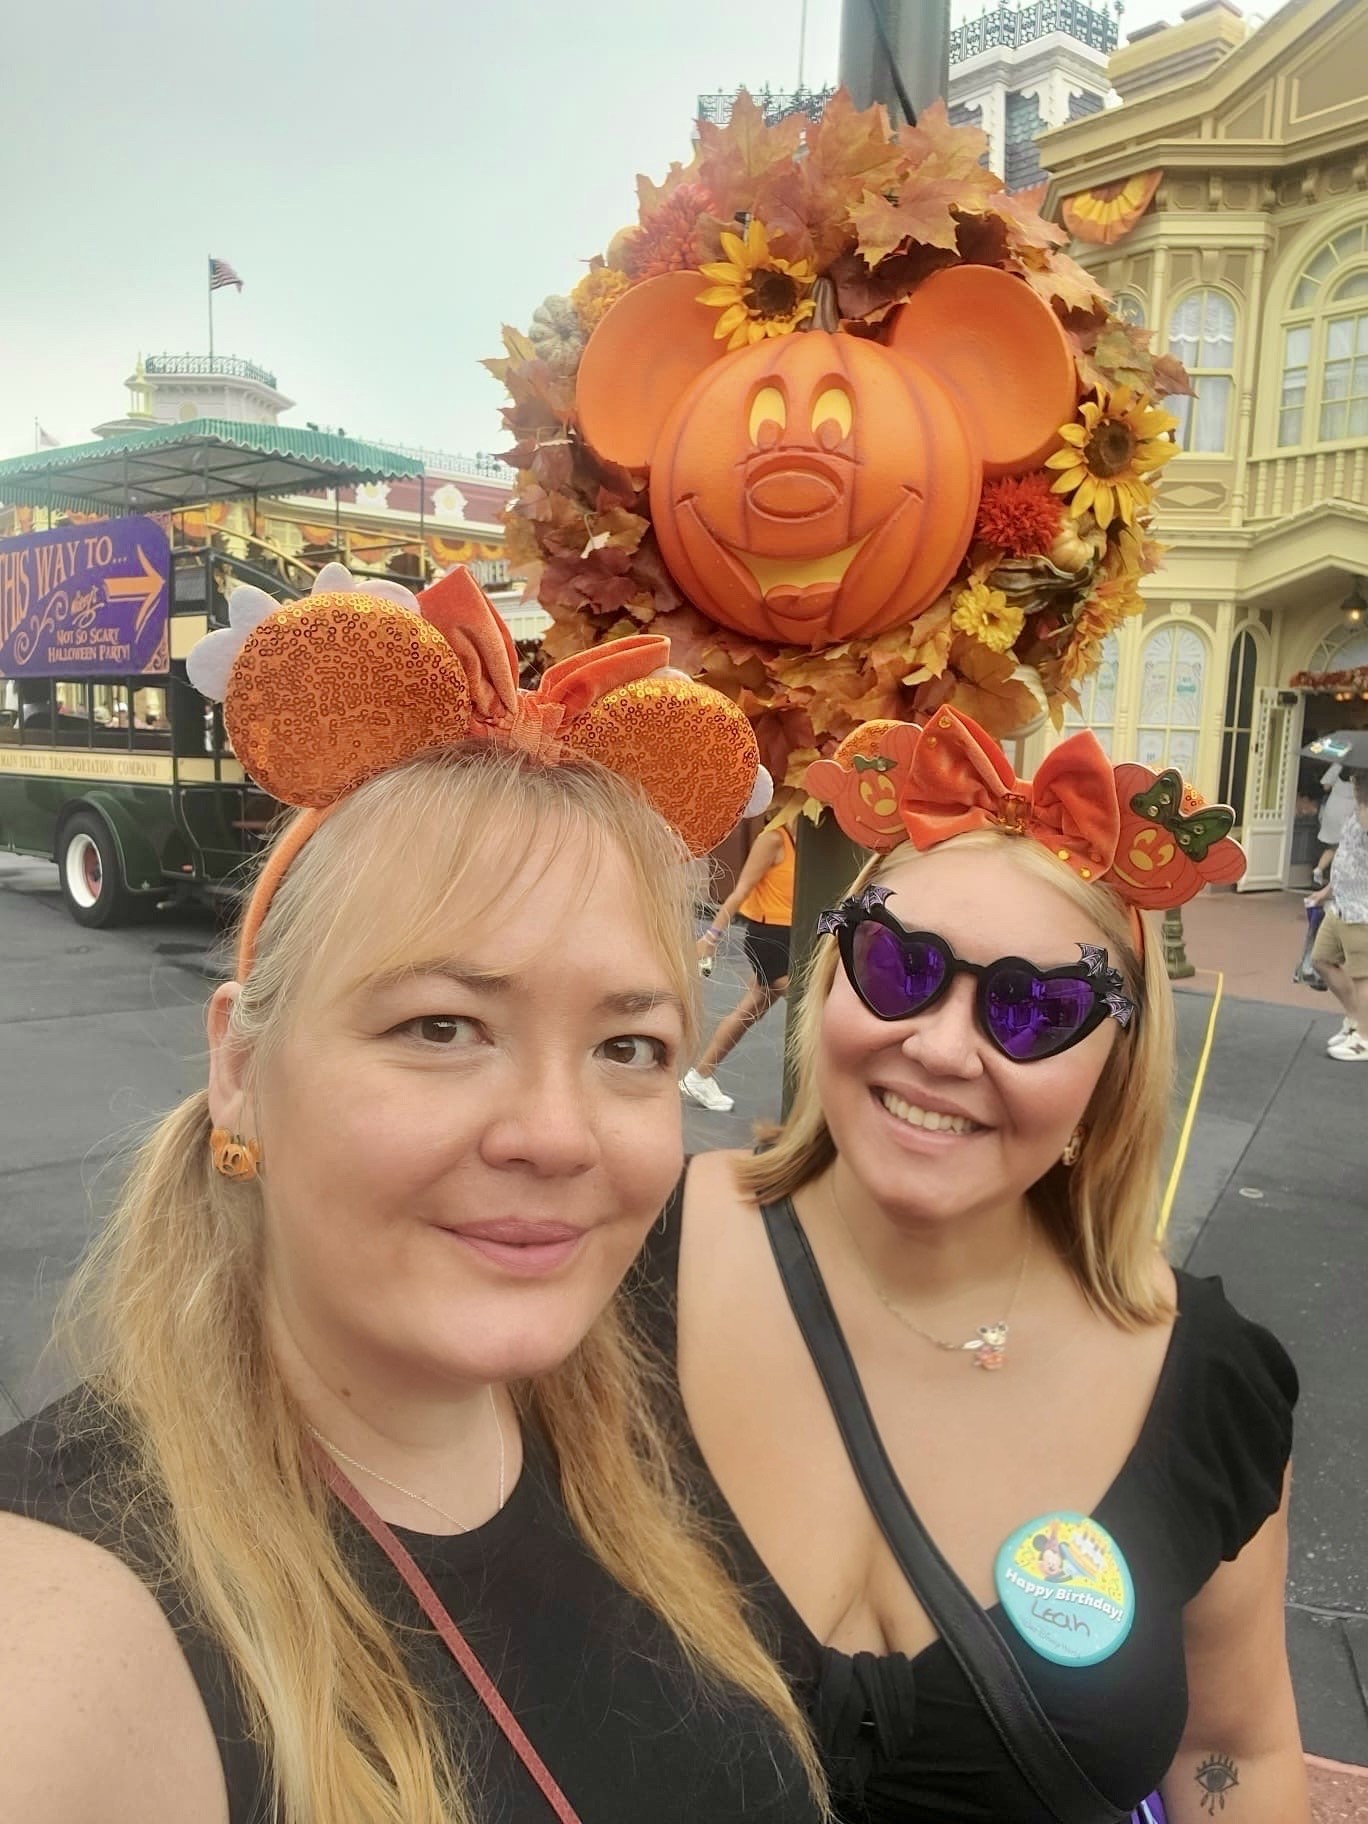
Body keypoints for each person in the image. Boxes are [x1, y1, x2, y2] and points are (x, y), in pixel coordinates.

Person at [0, 567, 824, 1824]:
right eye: (442, 1025)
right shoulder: (76, 1628)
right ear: (240, 1069)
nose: (557, 1136)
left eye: (629, 1048)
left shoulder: (625, 1419)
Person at [638, 711, 1306, 1823]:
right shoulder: (620, 1251)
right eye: (900, 966)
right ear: (831, 983)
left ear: (1112, 1076)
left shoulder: (1210, 1387)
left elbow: (1232, 1750)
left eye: (1034, 1009)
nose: (943, 1048)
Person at [681, 819, 795, 1114]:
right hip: (770, 939)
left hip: (796, 936)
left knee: (752, 1007)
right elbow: (740, 891)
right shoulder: (773, 840)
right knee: (808, 1002)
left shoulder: (814, 844)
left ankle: (700, 1076)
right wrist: (711, 937)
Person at [1307, 767, 1368, 1061]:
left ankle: (1365, 1038)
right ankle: (1356, 1020)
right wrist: (1326, 891)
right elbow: (1346, 857)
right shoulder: (1355, 813)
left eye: (1359, 781)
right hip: (1342, 902)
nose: (1353, 785)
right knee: (1321, 959)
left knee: (1362, 976)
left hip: (1362, 910)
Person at [1312, 763, 1355, 886]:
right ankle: (1338, 878)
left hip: (1333, 807)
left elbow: (1326, 786)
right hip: (1350, 810)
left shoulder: (1338, 765)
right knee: (1346, 847)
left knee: (1333, 845)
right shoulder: (1361, 769)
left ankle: (1319, 869)